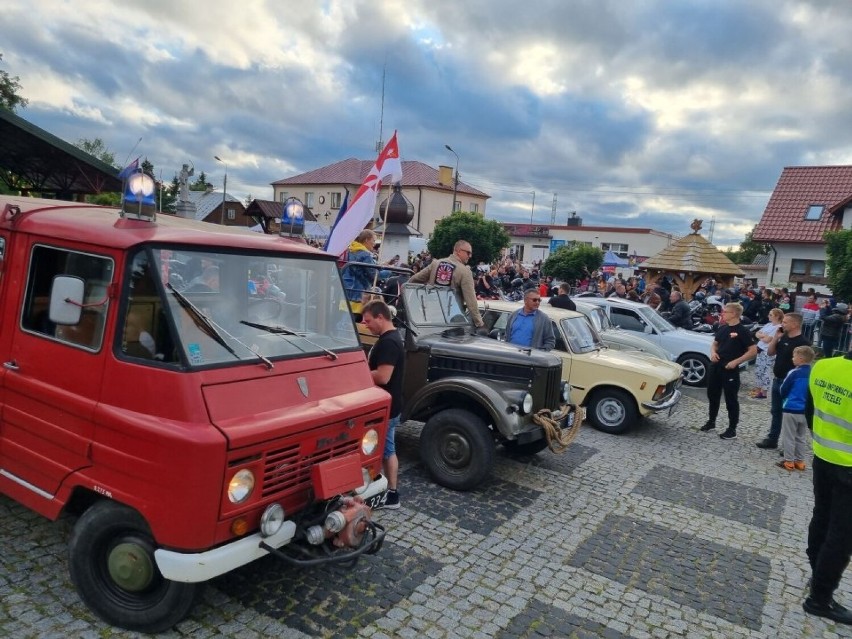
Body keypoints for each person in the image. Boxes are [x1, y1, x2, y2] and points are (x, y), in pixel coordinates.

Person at [801, 347, 852, 625]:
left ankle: (817, 571)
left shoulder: (823, 366)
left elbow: (810, 412)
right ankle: (820, 598)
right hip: (848, 467)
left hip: (822, 456)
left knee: (821, 518)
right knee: (841, 536)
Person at [361, 300, 405, 510]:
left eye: (368, 321)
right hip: (391, 404)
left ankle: (392, 495)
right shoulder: (390, 338)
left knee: (387, 450)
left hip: (387, 407)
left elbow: (383, 376)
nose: (365, 324)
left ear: (381, 317)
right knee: (387, 448)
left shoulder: (389, 342)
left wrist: (357, 375)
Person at [700, 302, 757, 440]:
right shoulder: (723, 328)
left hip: (730, 369)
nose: (722, 314)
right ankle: (711, 421)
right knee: (712, 395)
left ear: (734, 314)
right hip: (715, 366)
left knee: (731, 399)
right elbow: (715, 344)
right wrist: (713, 353)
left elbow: (753, 351)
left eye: (725, 312)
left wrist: (736, 362)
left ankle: (732, 429)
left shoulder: (742, 331)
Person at [756, 313, 811, 450]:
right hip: (777, 380)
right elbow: (770, 352)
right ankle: (772, 439)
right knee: (776, 411)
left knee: (790, 415)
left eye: (785, 322)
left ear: (794, 325)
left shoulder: (803, 342)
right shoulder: (783, 336)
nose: (782, 325)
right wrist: (776, 338)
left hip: (792, 383)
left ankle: (789, 446)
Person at [409, 239, 485, 331]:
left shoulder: (436, 264)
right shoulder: (465, 271)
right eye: (468, 253)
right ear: (459, 251)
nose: (470, 256)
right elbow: (471, 301)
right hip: (451, 321)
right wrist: (479, 323)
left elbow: (413, 280)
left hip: (429, 318)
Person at [776, 345, 814, 471]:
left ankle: (788, 461)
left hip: (791, 408)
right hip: (806, 411)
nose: (792, 359)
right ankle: (800, 461)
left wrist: (785, 399)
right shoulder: (814, 373)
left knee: (789, 436)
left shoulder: (794, 373)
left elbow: (783, 389)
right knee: (801, 436)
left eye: (794, 356)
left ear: (801, 358)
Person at [340, 229, 377, 318]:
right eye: (373, 240)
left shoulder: (349, 251)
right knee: (356, 325)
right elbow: (374, 275)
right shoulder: (365, 255)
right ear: (367, 240)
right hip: (358, 296)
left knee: (345, 322)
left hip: (345, 293)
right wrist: (387, 271)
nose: (374, 243)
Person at [751, 308, 783, 399]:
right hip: (760, 349)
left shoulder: (780, 328)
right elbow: (757, 333)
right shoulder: (768, 324)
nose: (768, 316)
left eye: (771, 315)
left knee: (766, 371)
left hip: (768, 352)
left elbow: (767, 340)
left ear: (777, 316)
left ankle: (764, 391)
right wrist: (763, 336)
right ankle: (758, 389)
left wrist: (762, 336)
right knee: (758, 370)